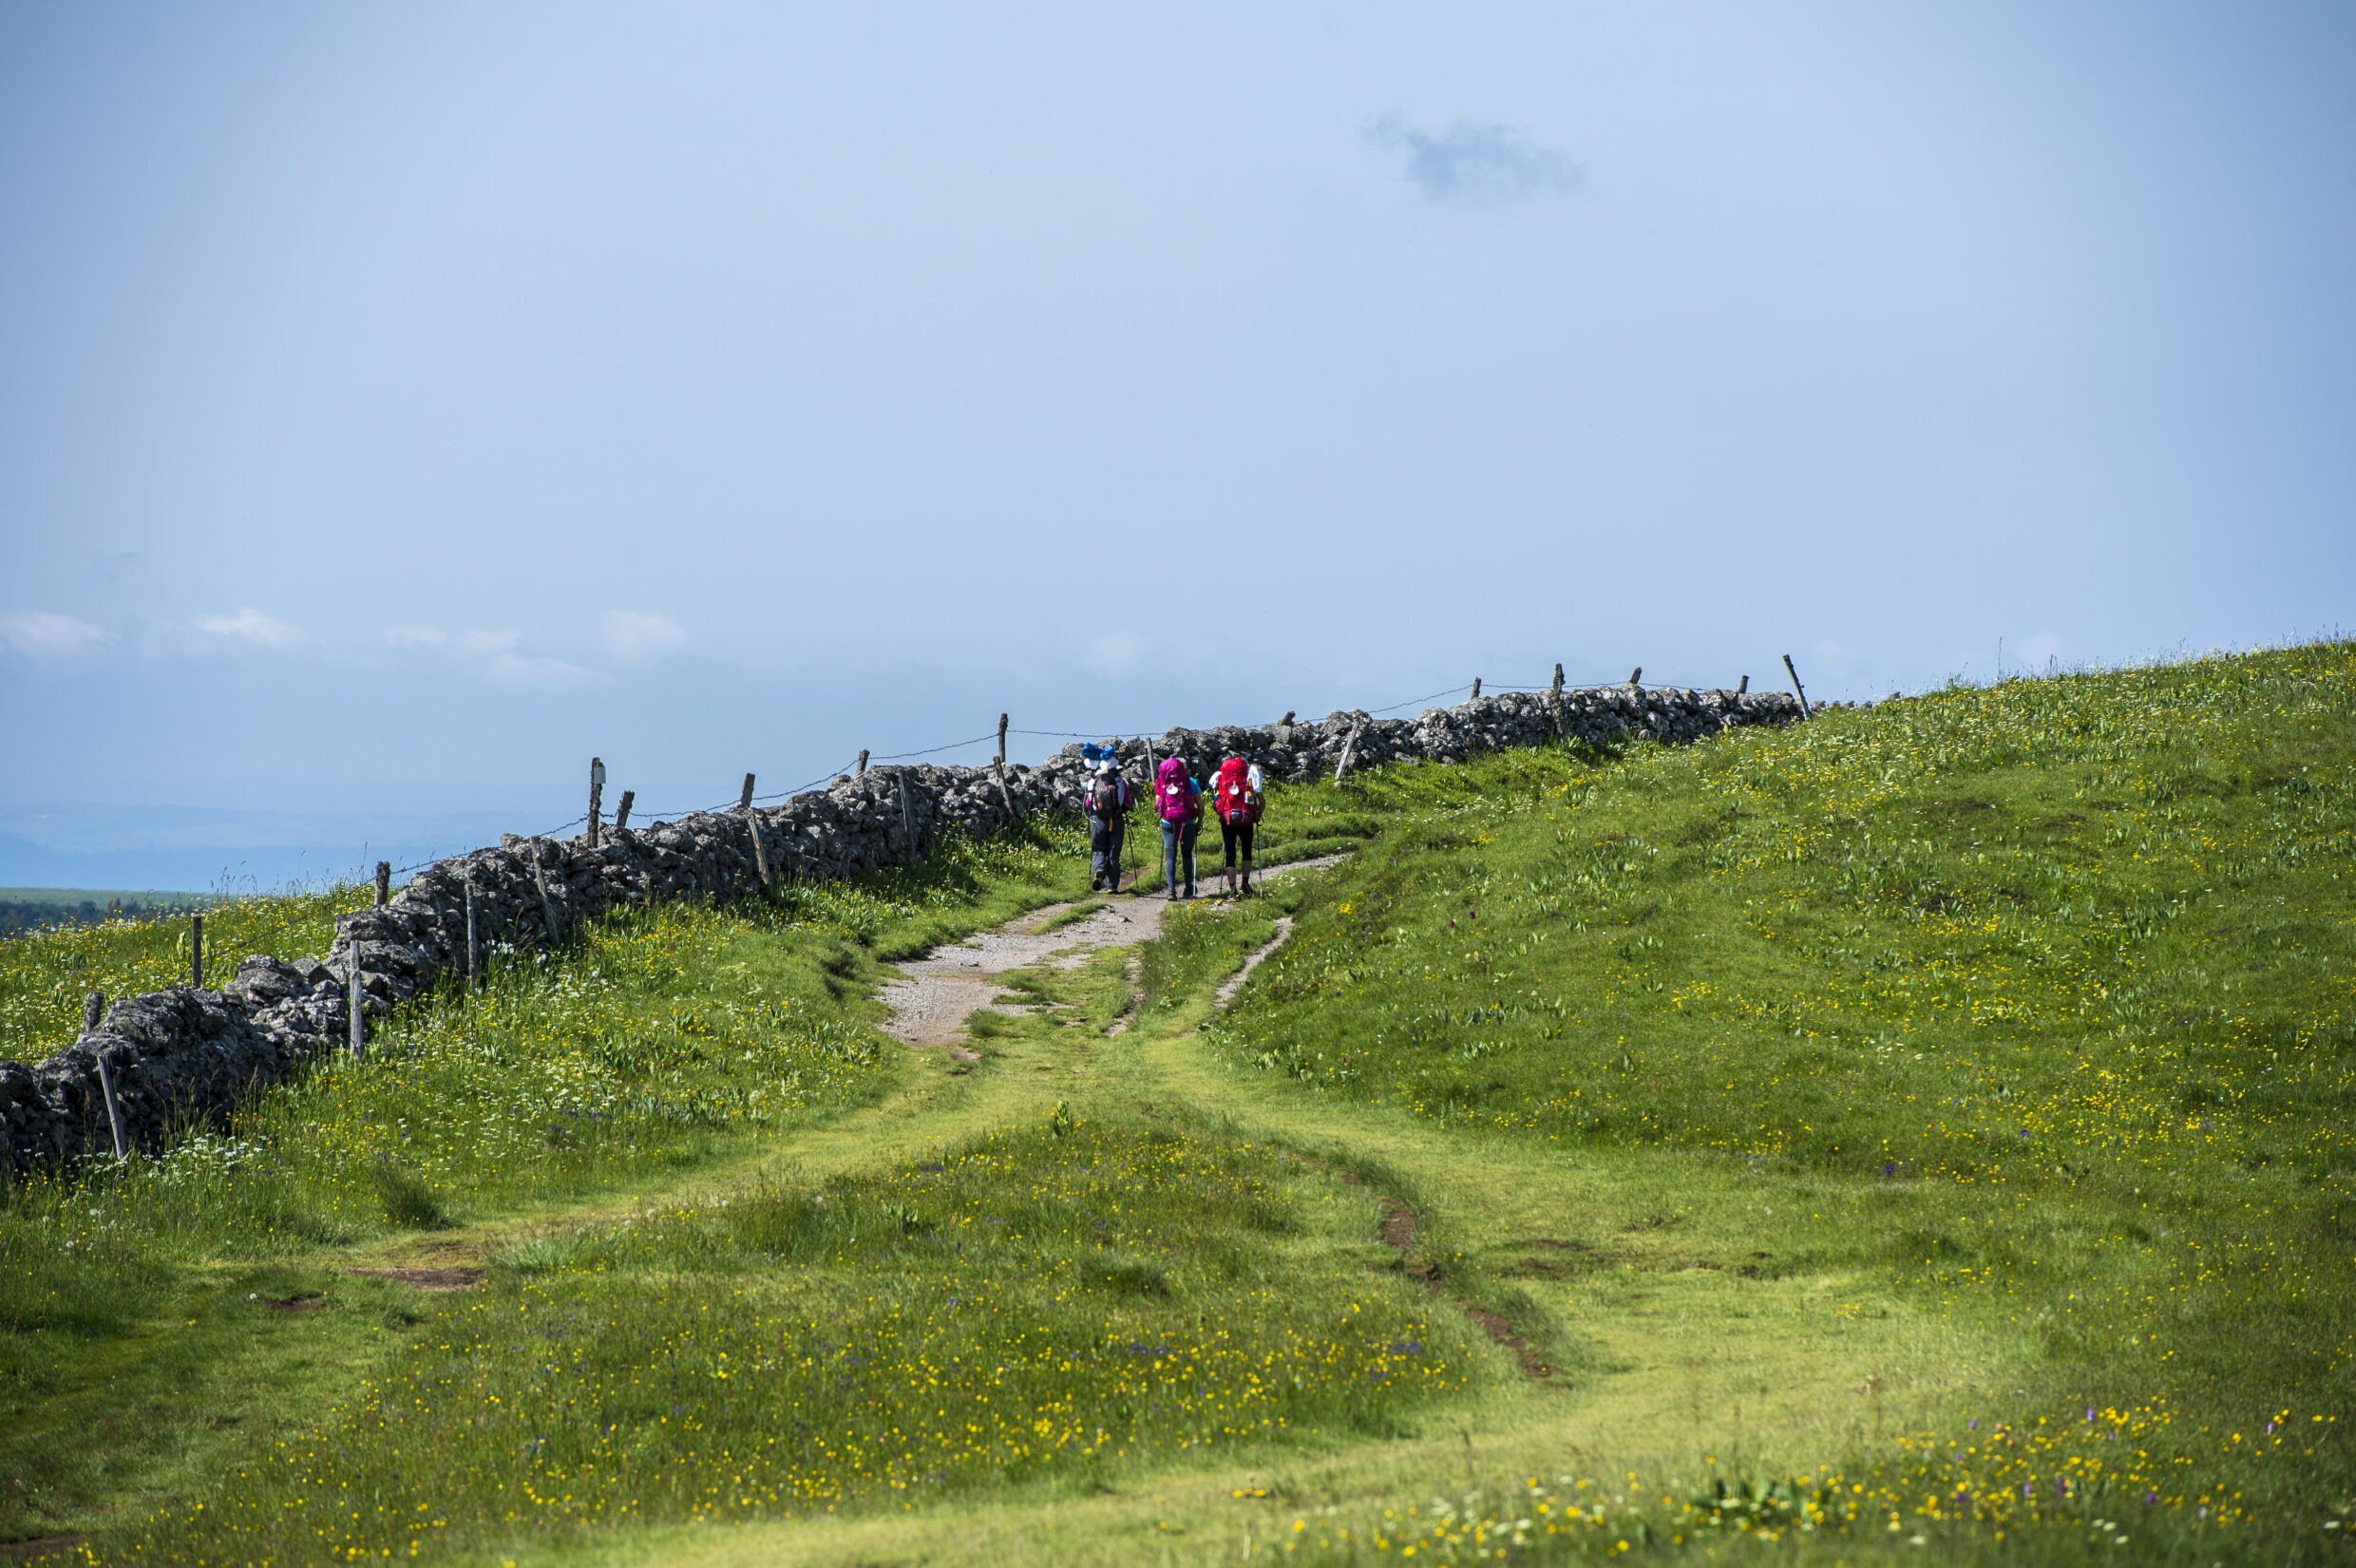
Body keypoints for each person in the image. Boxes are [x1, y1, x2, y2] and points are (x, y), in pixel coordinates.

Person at [1211, 755, 1265, 897]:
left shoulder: (1220, 776)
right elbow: (1262, 801)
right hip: (1247, 819)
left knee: (1230, 854)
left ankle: (1232, 890)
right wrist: (1258, 816)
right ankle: (1245, 884)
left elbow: (1216, 804)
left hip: (1227, 820)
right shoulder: (1250, 774)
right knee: (1246, 851)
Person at [1153, 754, 1200, 900]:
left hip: (1168, 824)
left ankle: (1171, 891)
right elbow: (1201, 806)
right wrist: (1198, 823)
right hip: (1188, 823)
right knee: (1187, 855)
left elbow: (1157, 806)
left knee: (1170, 857)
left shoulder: (1161, 783)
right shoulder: (1191, 782)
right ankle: (1188, 889)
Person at [1083, 751, 1131, 893]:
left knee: (1098, 850)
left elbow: (1087, 804)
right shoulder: (1120, 781)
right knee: (1113, 854)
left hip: (1098, 821)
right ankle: (1112, 887)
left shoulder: (1092, 782)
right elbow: (1128, 802)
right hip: (1116, 820)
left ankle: (1099, 870)